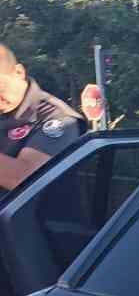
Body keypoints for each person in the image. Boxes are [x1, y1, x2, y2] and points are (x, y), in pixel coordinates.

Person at [0, 42, 87, 192]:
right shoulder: (6, 109)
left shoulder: (58, 118)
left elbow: (24, 179)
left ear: (19, 72)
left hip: (44, 214)